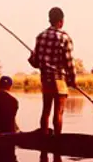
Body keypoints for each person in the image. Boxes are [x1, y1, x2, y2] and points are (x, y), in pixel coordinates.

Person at [28, 7, 76, 135]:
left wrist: (32, 55)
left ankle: (44, 141)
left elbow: (35, 62)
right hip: (60, 80)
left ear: (50, 20)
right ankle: (57, 140)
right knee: (59, 112)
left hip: (46, 80)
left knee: (46, 111)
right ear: (61, 21)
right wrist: (73, 80)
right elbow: (69, 62)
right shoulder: (64, 37)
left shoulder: (40, 37)